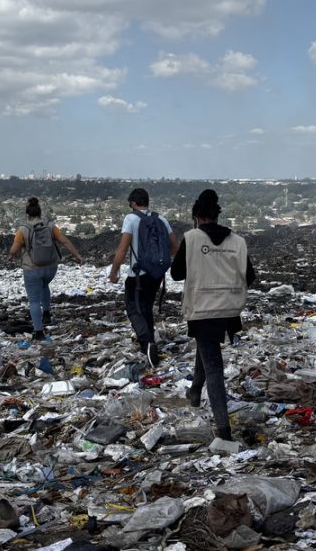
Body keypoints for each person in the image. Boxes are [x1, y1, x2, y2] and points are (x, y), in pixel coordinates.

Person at [170, 189, 255, 442]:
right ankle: (195, 392)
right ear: (217, 216)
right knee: (205, 349)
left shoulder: (192, 238)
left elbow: (176, 274)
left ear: (196, 217)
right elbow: (249, 276)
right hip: (229, 309)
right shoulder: (237, 242)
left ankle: (224, 429)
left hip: (203, 308)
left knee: (214, 367)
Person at [108, 187, 177, 367]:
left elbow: (122, 249)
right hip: (156, 275)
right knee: (146, 307)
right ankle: (150, 343)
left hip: (137, 275)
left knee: (133, 309)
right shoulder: (161, 218)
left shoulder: (131, 219)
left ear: (133, 203)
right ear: (147, 202)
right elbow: (175, 247)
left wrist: (114, 272)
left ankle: (147, 343)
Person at [8, 197, 83, 340]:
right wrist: (77, 255)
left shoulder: (23, 230)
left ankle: (39, 332)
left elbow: (14, 250)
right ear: (39, 212)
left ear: (27, 214)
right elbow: (64, 241)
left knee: (34, 301)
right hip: (51, 268)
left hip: (32, 269)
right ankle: (47, 313)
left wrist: (11, 255)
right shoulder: (50, 226)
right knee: (44, 285)